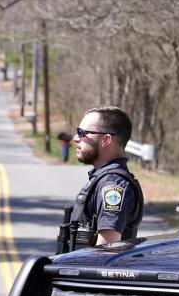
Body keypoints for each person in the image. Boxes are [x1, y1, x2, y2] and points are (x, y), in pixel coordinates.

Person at [57, 105, 144, 252]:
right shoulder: (102, 178)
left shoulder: (112, 184)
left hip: (90, 272)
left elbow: (107, 249)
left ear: (106, 140)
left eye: (82, 133)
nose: (76, 138)